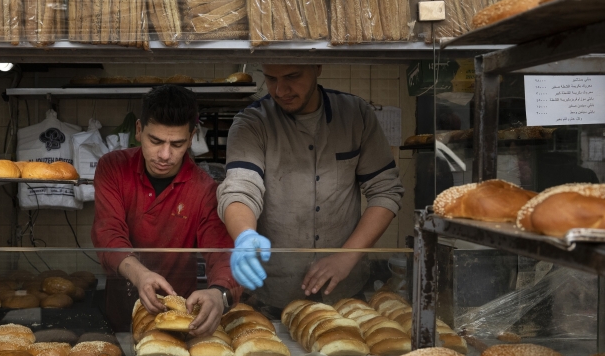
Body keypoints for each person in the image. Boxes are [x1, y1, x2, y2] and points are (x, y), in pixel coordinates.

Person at [218, 65, 404, 310]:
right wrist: (244, 235)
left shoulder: (355, 115)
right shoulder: (252, 123)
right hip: (272, 296)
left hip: (344, 291)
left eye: (292, 76)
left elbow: (386, 190)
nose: (280, 90)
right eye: (271, 78)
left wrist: (347, 255)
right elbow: (241, 188)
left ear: (317, 67)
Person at [92, 85, 239, 337]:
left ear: (191, 137)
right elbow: (108, 233)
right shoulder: (113, 167)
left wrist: (219, 292)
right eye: (155, 141)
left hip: (178, 323)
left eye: (177, 144)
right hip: (119, 320)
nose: (165, 155)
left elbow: (221, 251)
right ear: (139, 130)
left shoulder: (204, 189)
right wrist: (141, 276)